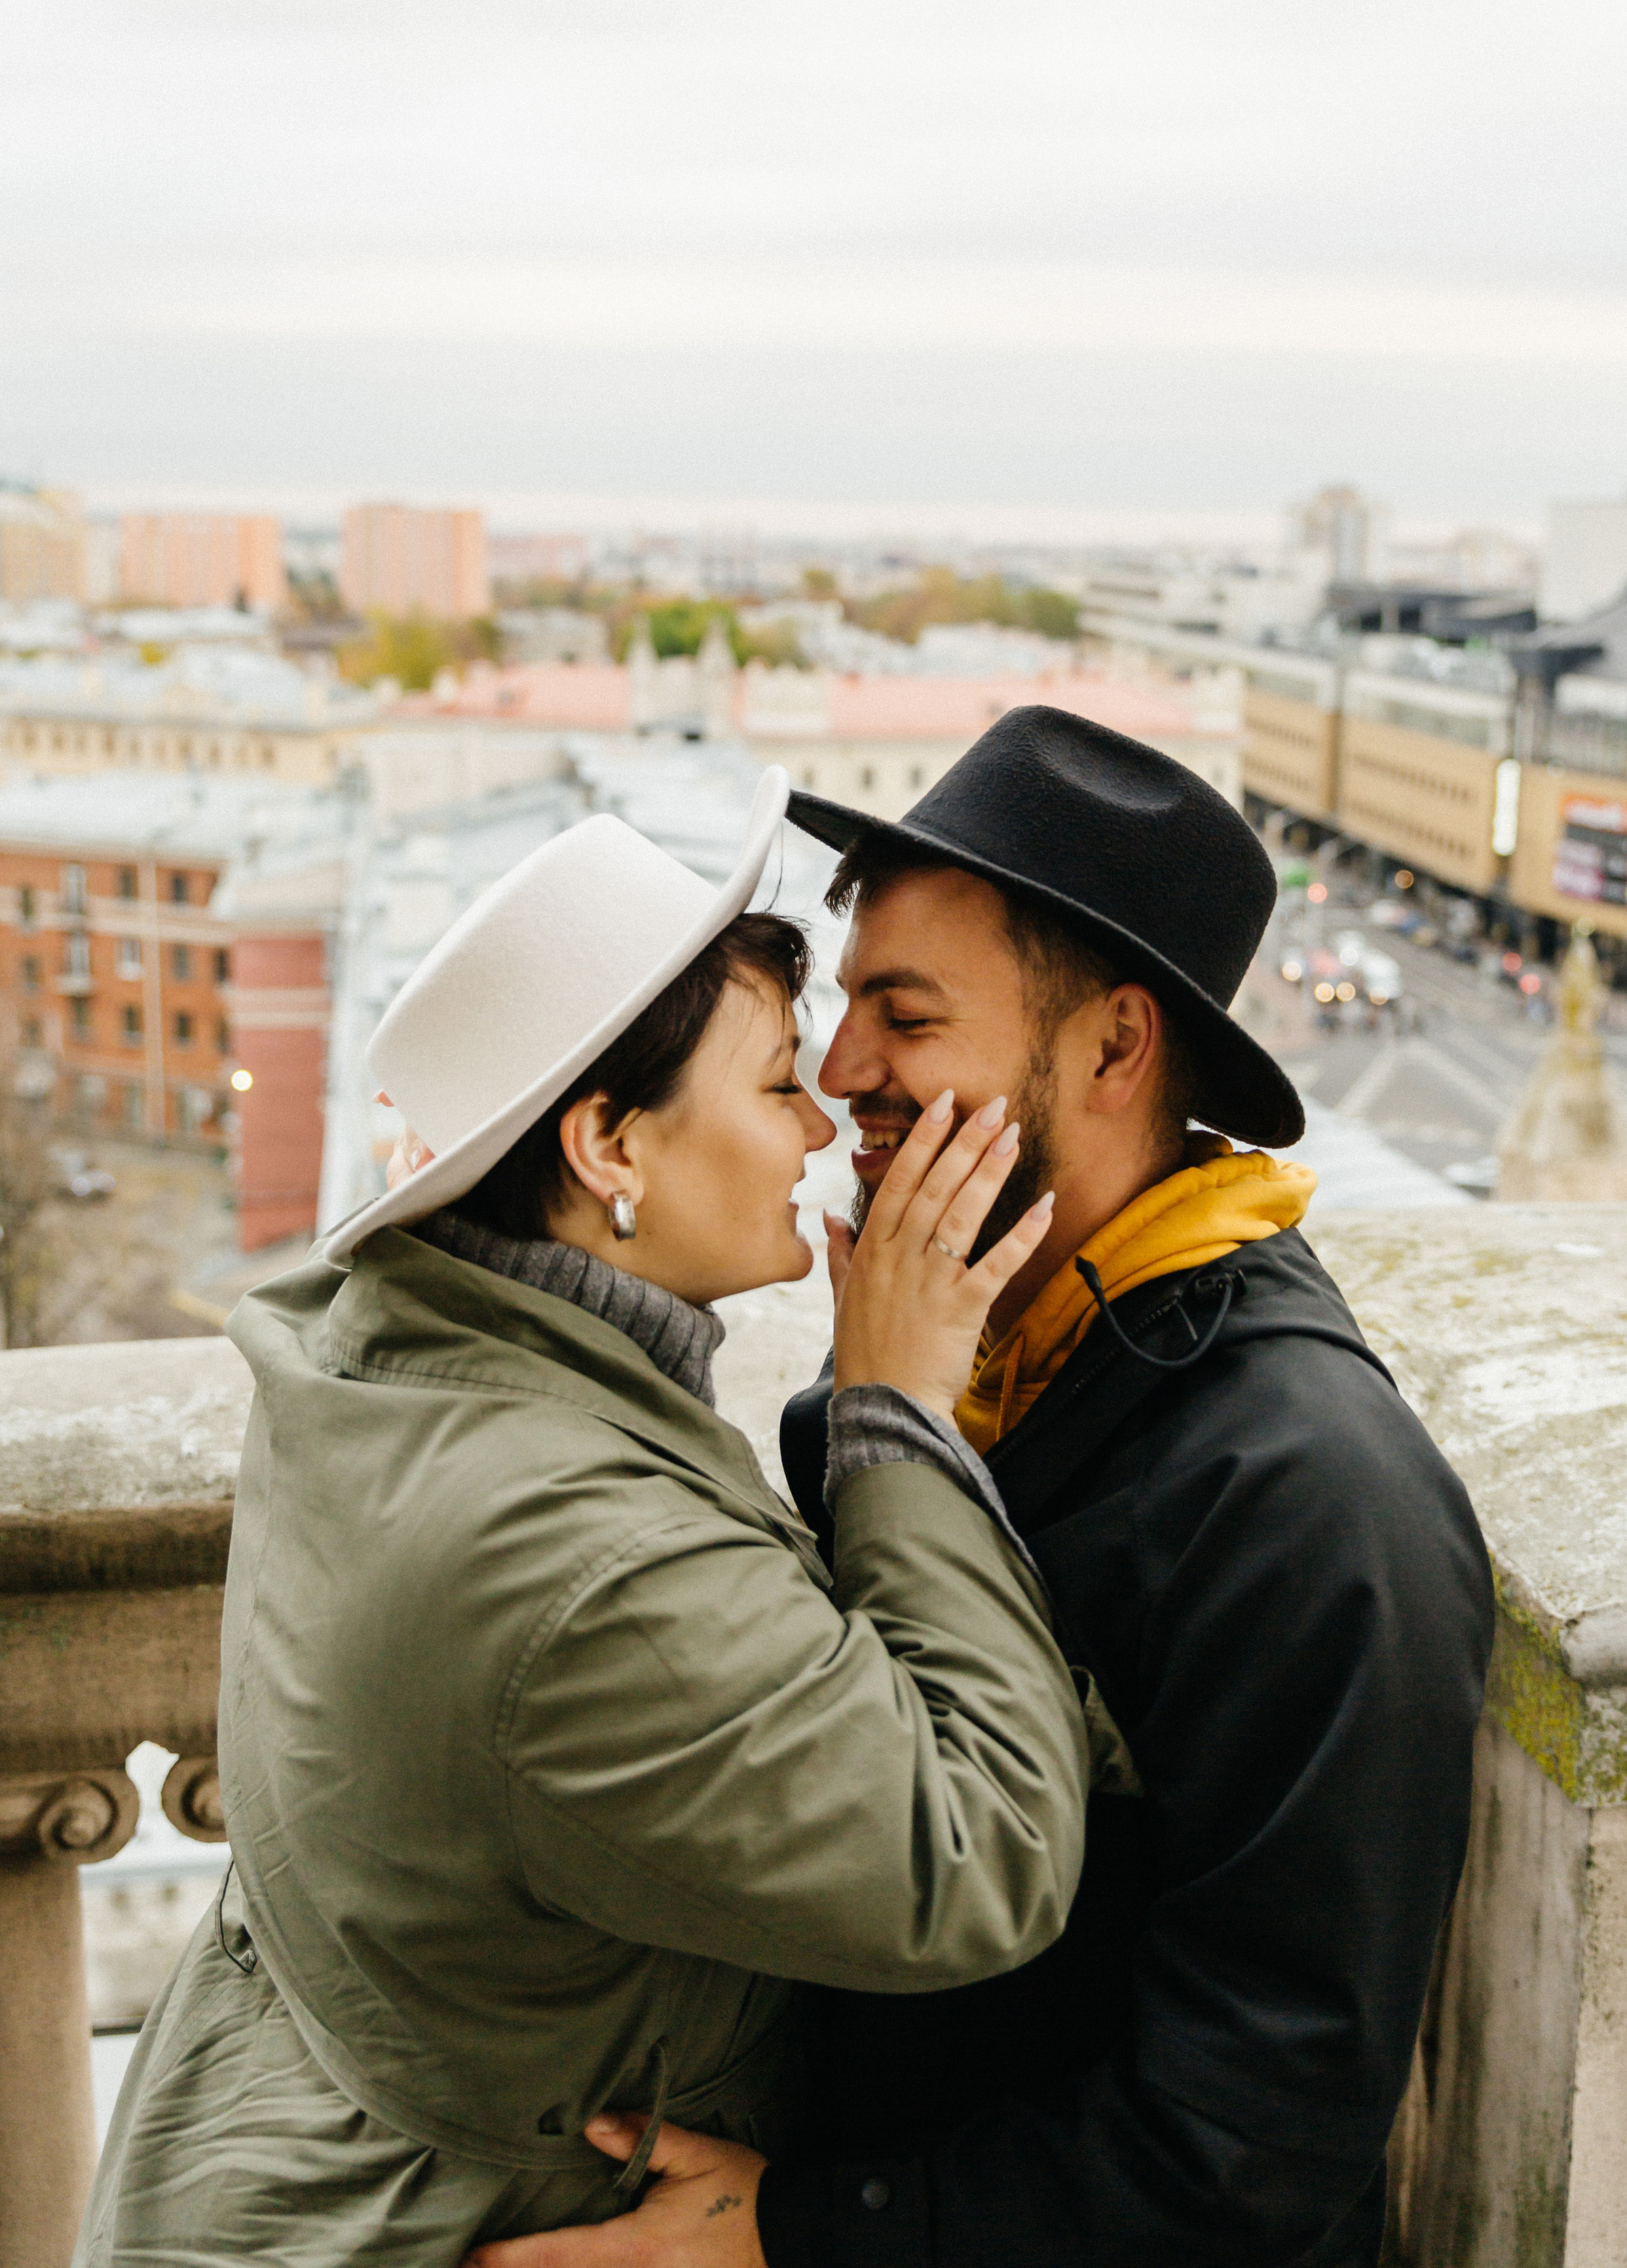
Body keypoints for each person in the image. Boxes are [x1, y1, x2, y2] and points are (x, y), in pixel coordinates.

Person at [476, 708, 1495, 2268]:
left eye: (905, 1014)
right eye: (841, 1006)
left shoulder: (1310, 1503)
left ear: (1109, 1049)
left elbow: (1255, 2142)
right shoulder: (923, 1369)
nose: (837, 1071)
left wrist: (802, 2233)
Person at [74, 767, 1093, 2266]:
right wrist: (895, 1414)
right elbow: (978, 1857)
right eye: (770, 1085)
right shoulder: (573, 1556)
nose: (819, 1131)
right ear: (607, 1145)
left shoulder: (385, 1352)